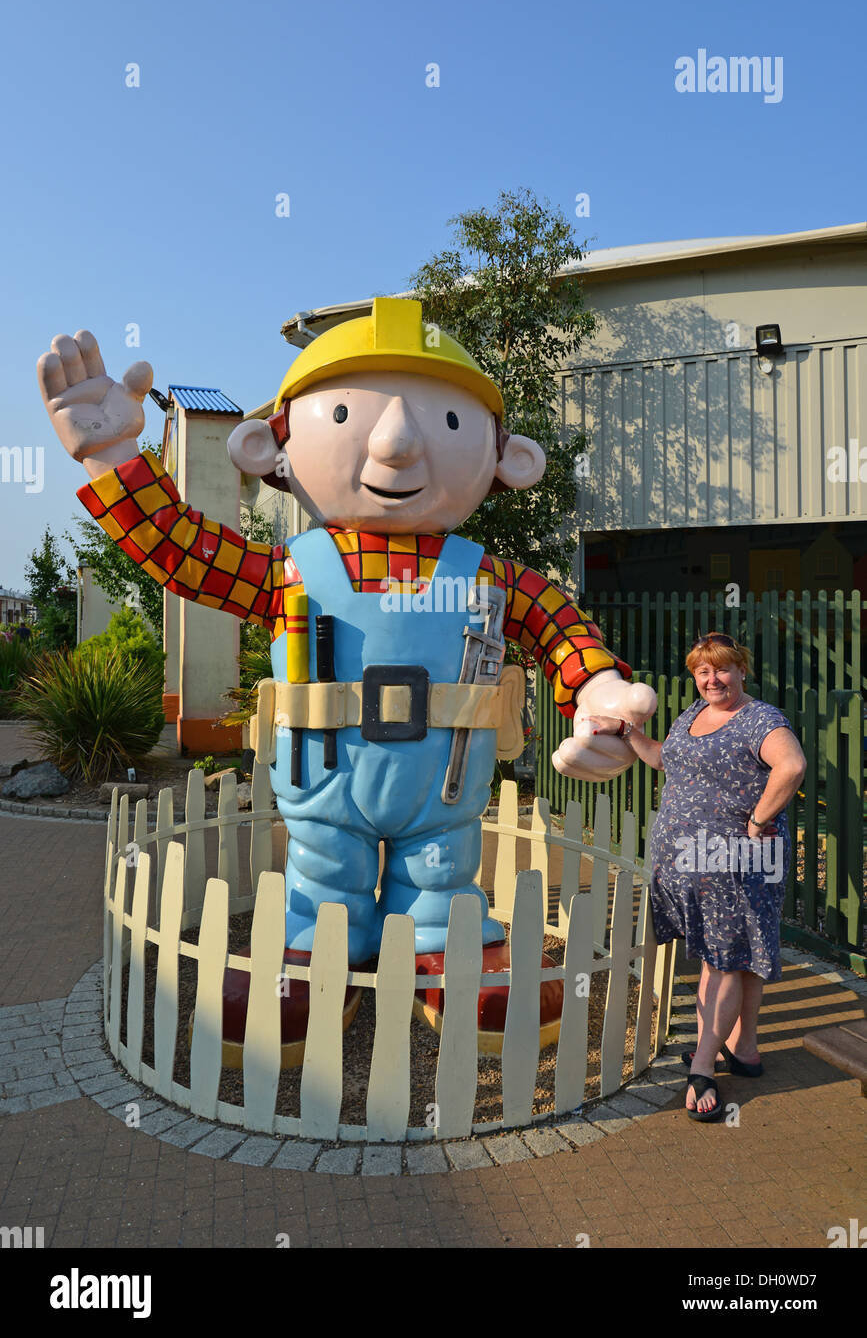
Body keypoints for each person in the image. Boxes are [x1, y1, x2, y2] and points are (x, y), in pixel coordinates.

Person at [37, 303, 656, 1051]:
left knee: (442, 880)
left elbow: (563, 628)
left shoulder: (488, 576)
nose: (395, 444)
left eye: (448, 424)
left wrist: (599, 694)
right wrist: (110, 457)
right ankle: (315, 951)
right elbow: (182, 550)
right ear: (270, 448)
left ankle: (447, 943)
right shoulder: (292, 570)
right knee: (323, 882)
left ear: (507, 458)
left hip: (446, 789)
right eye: (345, 413)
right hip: (324, 786)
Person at [587, 633, 806, 1122]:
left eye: (723, 669)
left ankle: (703, 1066)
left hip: (735, 861)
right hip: (694, 859)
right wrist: (627, 734)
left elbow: (791, 767)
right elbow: (669, 759)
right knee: (739, 955)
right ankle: (744, 1051)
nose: (713, 679)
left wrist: (754, 822)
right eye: (703, 672)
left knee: (723, 960)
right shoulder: (693, 713)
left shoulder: (760, 719)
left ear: (742, 670)